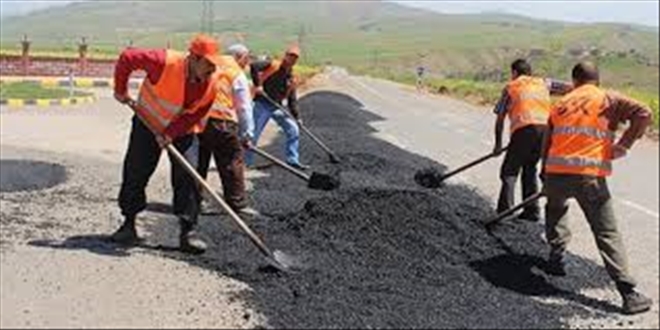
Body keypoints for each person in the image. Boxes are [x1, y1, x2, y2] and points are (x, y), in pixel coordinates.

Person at [541, 61, 653, 315]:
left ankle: (555, 259)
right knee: (606, 231)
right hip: (588, 177)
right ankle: (628, 294)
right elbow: (644, 113)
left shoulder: (560, 103)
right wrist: (623, 145)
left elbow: (547, 142)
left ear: (575, 80)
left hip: (556, 174)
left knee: (555, 210)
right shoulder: (606, 98)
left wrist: (544, 172)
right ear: (597, 80)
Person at [110, 34, 222, 255]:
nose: (211, 69)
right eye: (208, 64)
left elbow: (197, 112)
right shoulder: (163, 61)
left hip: (182, 131)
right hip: (146, 123)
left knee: (190, 175)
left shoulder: (212, 83)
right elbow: (127, 57)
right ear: (194, 58)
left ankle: (187, 232)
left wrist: (171, 132)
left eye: (214, 64)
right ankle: (128, 224)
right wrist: (120, 89)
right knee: (136, 170)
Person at [493, 58, 572, 221]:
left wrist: (498, 145)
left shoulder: (511, 87)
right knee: (529, 168)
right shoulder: (544, 83)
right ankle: (531, 211)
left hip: (524, 128)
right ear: (530, 72)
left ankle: (504, 212)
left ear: (514, 73)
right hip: (545, 131)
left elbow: (500, 118)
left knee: (509, 171)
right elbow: (571, 88)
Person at [196, 43, 255, 215]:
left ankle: (194, 202)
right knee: (232, 162)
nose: (247, 62)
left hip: (198, 121)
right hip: (222, 123)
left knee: (198, 163)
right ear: (240, 57)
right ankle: (237, 203)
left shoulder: (210, 64)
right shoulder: (236, 72)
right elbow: (244, 107)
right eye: (246, 58)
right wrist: (247, 134)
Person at [245, 44, 307, 170]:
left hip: (277, 107)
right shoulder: (272, 64)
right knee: (253, 135)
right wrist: (258, 85)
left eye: (295, 57)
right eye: (290, 55)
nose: (292, 59)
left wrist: (297, 117)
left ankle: (292, 159)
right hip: (262, 104)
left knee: (293, 129)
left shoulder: (291, 77)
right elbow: (253, 66)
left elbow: (292, 99)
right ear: (285, 55)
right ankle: (246, 163)